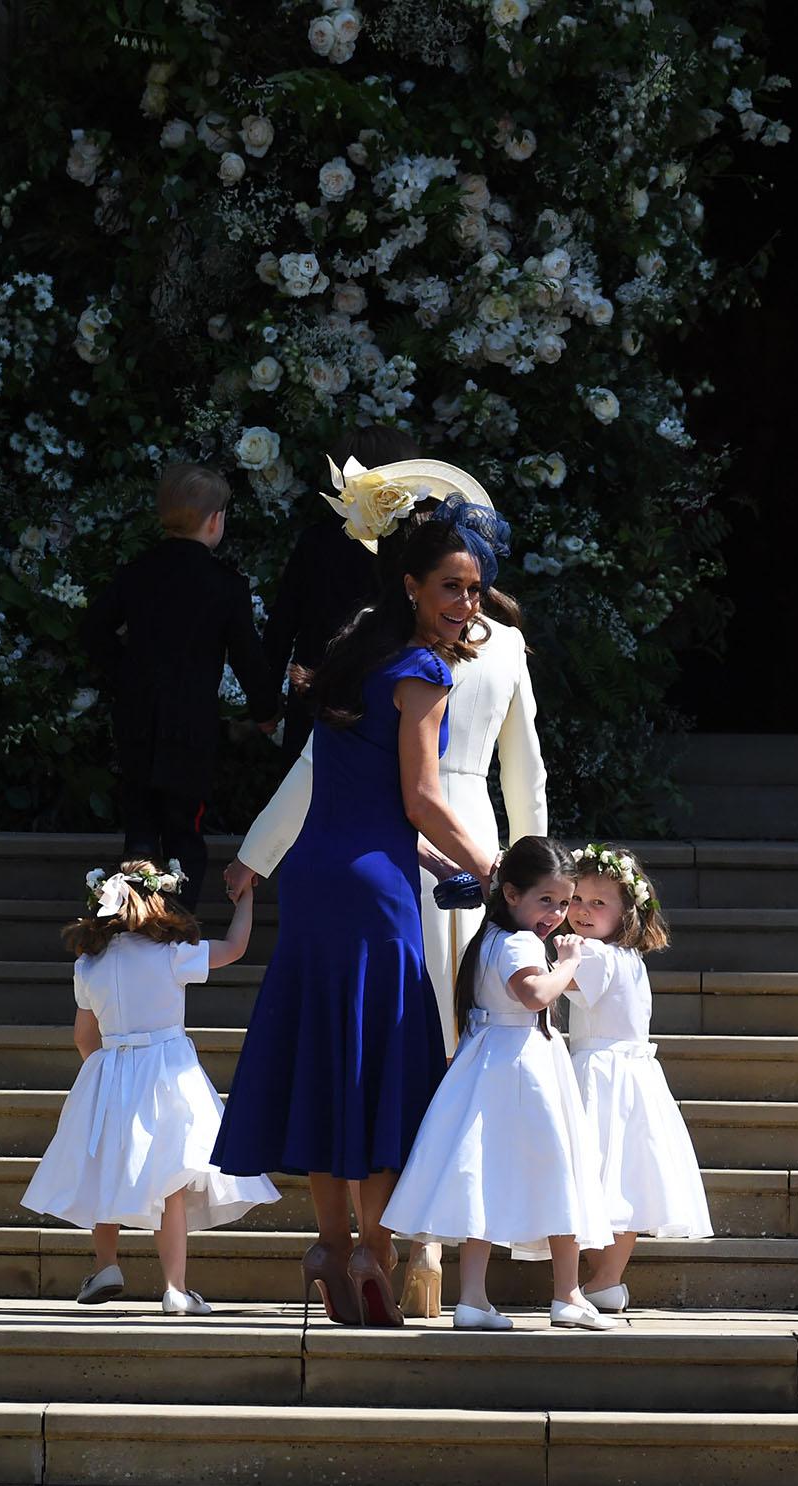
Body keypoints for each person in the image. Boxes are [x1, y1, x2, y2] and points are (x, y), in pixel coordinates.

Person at [209, 490, 506, 1329]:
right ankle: (374, 1249)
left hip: (319, 876)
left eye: (475, 590)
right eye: (450, 586)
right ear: (411, 584)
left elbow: (363, 802)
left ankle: (332, 1250)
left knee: (328, 1063)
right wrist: (496, 871)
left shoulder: (354, 658)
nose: (465, 603)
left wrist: (442, 859)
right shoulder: (422, 671)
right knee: (376, 1071)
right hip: (371, 892)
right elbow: (419, 798)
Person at [229, 456, 547, 1057]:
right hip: (463, 833)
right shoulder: (503, 645)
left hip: (398, 834)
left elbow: (320, 764)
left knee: (404, 1009)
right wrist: (535, 882)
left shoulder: (372, 638)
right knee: (467, 1008)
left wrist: (256, 852)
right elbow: (527, 776)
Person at [381, 836, 620, 1330]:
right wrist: (571, 961)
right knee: (559, 1168)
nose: (556, 914)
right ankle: (567, 1293)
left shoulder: (490, 936)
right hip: (523, 1068)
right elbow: (533, 993)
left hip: (491, 1062)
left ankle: (473, 1298)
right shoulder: (519, 941)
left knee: (483, 1176)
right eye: (546, 901)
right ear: (511, 894)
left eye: (563, 903)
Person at [22, 860, 278, 1315]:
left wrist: (107, 1075)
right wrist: (248, 898)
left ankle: (106, 1265)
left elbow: (84, 1037)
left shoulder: (89, 965)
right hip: (166, 1074)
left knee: (106, 1168)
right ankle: (175, 1289)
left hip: (111, 1066)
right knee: (170, 1180)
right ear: (157, 901)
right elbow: (236, 948)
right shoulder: (172, 954)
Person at [80, 462, 280, 911]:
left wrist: (127, 673)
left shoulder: (136, 572)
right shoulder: (225, 586)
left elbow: (93, 631)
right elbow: (248, 657)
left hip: (136, 717)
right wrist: (267, 710)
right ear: (215, 521)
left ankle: (131, 924)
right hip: (190, 724)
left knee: (140, 823)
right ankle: (176, 924)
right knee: (183, 827)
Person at [563, 843, 712, 1313]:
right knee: (627, 1178)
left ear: (626, 912)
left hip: (597, 1074)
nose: (583, 911)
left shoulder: (592, 955)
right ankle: (607, 1278)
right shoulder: (630, 959)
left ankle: (602, 1277)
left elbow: (552, 986)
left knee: (589, 1173)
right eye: (576, 900)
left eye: (598, 903)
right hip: (634, 1077)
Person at [260, 426, 405, 763]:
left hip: (316, 687)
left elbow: (283, 623)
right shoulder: (408, 546)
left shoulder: (317, 540)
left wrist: (265, 702)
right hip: (387, 694)